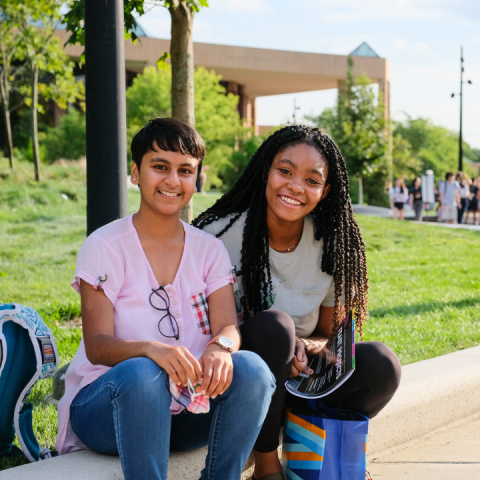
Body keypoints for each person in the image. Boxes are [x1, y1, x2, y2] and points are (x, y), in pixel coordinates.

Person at [55, 118, 275, 480]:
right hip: (111, 410)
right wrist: (151, 350)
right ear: (136, 173)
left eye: (185, 171)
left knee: (254, 370)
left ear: (196, 179)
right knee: (145, 374)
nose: (173, 181)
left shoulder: (209, 250)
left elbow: (227, 327)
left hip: (189, 409)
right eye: (160, 167)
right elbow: (96, 346)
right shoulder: (104, 246)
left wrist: (221, 346)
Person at [194, 125, 401, 480]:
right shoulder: (217, 235)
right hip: (240, 381)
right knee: (275, 329)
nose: (294, 186)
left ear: (325, 191)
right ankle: (267, 465)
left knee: (381, 364)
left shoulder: (333, 247)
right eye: (285, 171)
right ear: (266, 172)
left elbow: (329, 334)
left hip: (301, 380)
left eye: (311, 179)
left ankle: (323, 449)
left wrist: (304, 346)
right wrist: (283, 346)